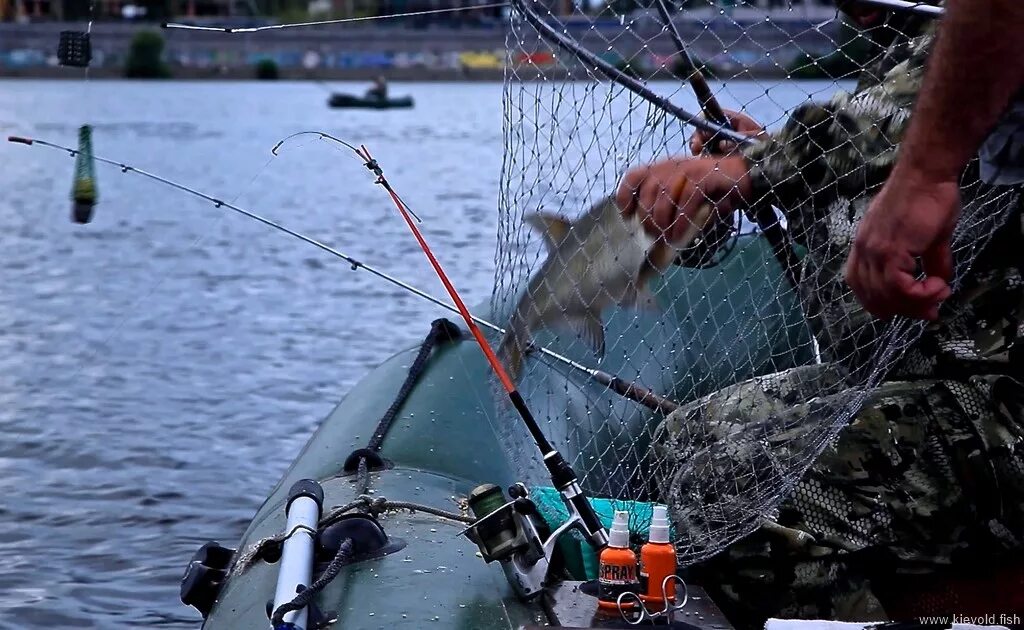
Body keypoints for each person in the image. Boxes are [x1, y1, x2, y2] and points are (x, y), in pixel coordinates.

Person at [614, 0, 1024, 625]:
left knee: (724, 495)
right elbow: (880, 144)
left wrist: (750, 167)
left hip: (1001, 404)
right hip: (915, 384)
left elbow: (896, 124)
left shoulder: (976, 56)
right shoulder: (903, 57)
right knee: (680, 440)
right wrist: (758, 159)